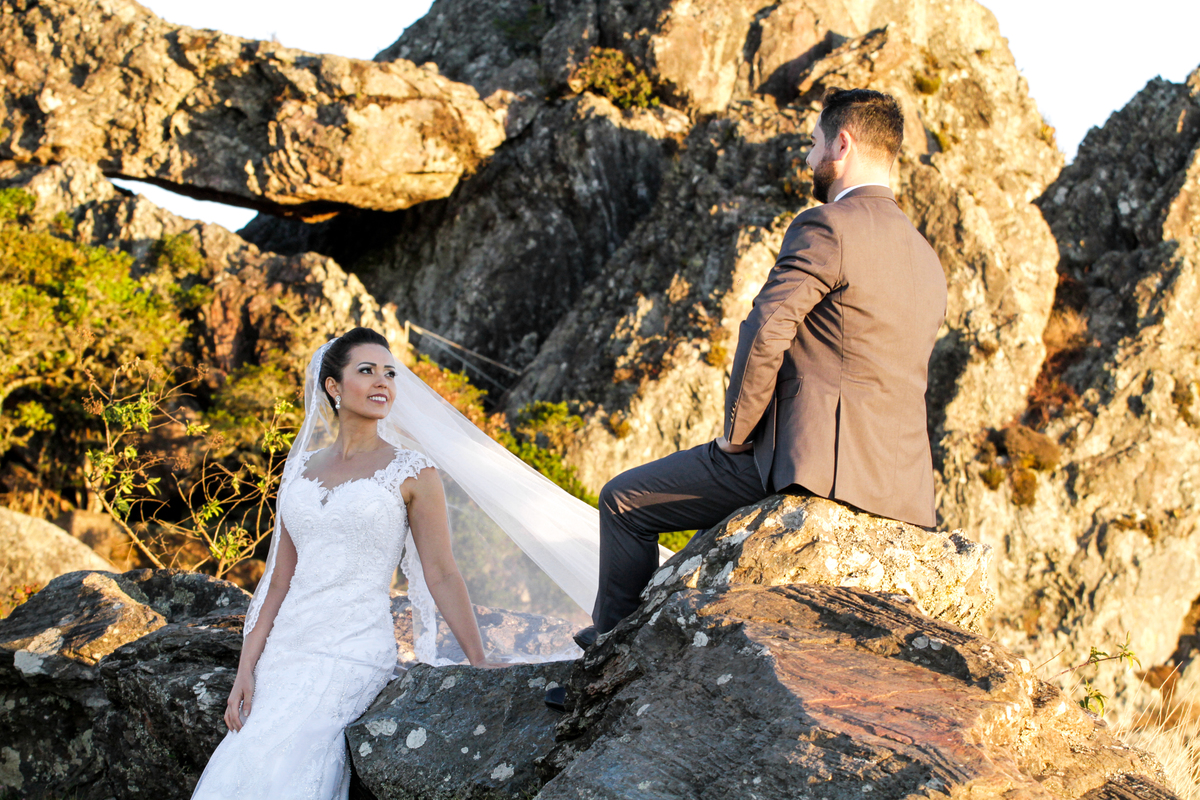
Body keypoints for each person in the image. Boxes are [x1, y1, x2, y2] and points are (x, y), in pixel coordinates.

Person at [578, 87, 949, 648]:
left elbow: (766, 330)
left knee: (624, 501)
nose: (808, 157)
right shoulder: (927, 257)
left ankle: (608, 658)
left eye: (814, 143)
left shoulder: (828, 225)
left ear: (842, 144)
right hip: (903, 489)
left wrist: (736, 435)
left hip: (811, 462)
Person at [191, 326, 597, 799]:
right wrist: (246, 669)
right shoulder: (299, 468)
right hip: (284, 650)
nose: (382, 381)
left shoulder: (413, 471)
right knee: (244, 758)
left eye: (390, 373)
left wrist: (478, 657)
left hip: (351, 650)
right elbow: (278, 579)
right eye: (367, 371)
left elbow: (441, 571)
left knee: (292, 758)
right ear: (333, 386)